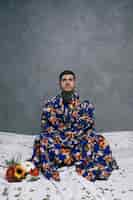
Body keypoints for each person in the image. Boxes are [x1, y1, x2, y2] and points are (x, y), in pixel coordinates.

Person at [29, 70, 119, 181]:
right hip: (58, 143)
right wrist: (66, 135)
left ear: (74, 82)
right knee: (42, 138)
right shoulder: (50, 105)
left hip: (79, 143)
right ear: (60, 83)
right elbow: (46, 127)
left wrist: (71, 134)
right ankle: (57, 164)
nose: (67, 82)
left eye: (70, 80)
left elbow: (88, 126)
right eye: (64, 80)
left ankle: (80, 160)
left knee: (96, 137)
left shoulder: (85, 106)